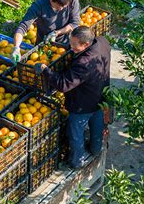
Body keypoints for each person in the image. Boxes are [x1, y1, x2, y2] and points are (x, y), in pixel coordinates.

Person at [35, 26, 111, 169]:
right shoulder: (102, 42)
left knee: (76, 134)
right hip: (101, 96)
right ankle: (95, 150)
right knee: (97, 126)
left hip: (83, 104)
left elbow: (63, 85)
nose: (71, 49)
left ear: (86, 44)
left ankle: (77, 162)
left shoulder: (84, 63)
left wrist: (46, 71)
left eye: (75, 47)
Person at [11, 0, 80, 62]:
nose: (61, 9)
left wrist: (56, 33)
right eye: (57, 7)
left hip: (64, 44)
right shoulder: (39, 5)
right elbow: (22, 27)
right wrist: (16, 47)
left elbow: (74, 23)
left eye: (64, 7)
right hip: (43, 44)